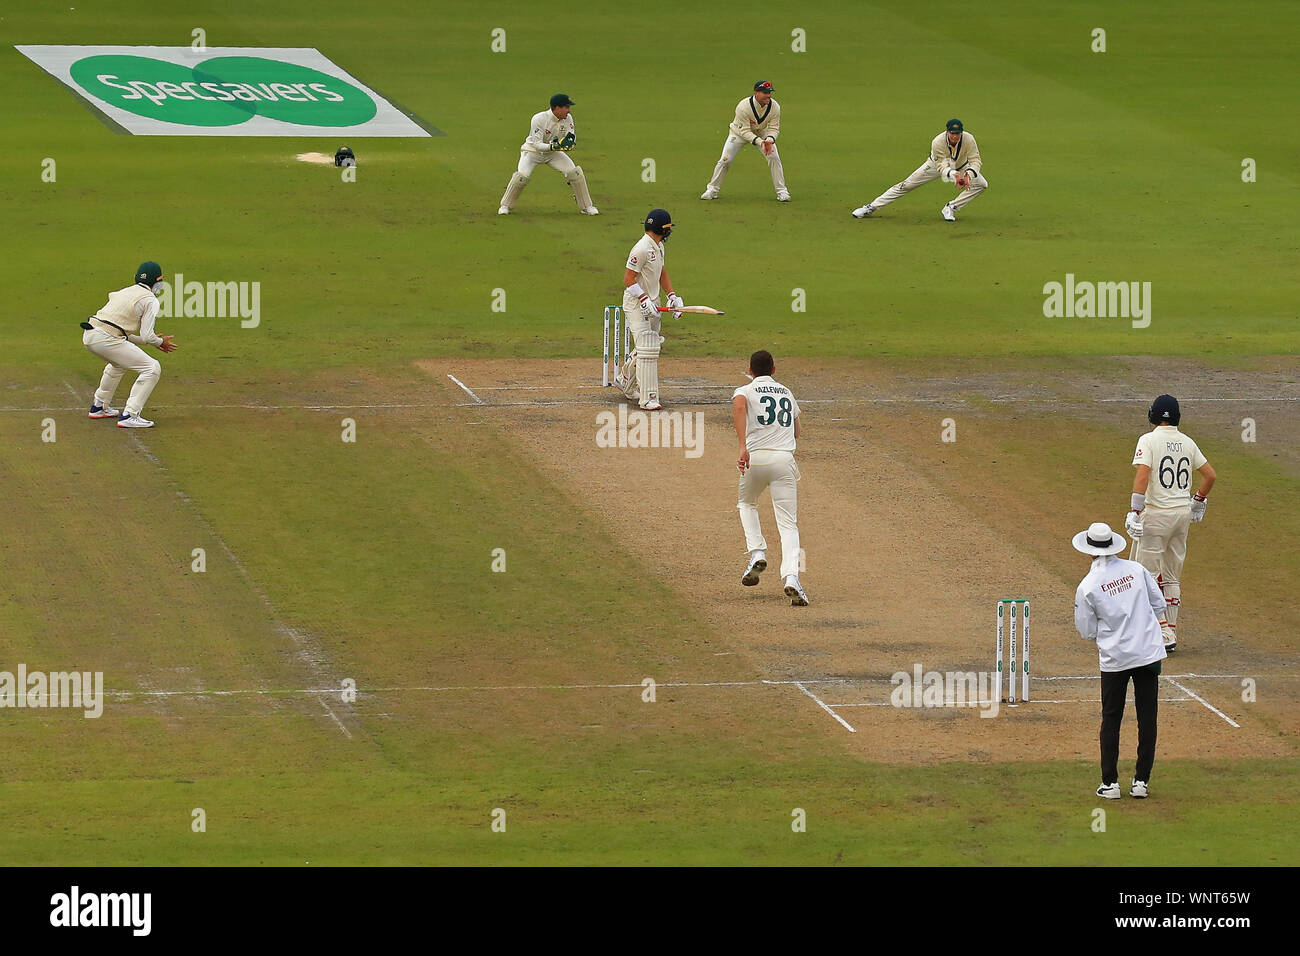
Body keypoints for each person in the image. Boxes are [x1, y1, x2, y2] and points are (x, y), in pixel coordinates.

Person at [1072, 521, 1167, 800]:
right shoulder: (1136, 570)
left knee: (1111, 718)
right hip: (1148, 652)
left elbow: (1086, 630)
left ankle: (1110, 784)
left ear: (1089, 551)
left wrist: (1112, 631)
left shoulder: (1087, 586)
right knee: (1147, 717)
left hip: (1115, 657)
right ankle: (1141, 782)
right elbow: (1159, 604)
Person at [1123, 395, 1216, 653]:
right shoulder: (1188, 442)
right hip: (1181, 514)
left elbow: (1143, 475)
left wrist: (1134, 510)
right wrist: (1198, 502)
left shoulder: (1148, 440)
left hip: (1156, 515)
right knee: (1172, 574)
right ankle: (1171, 630)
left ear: (1153, 415)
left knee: (1146, 574)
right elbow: (1210, 475)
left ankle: (1161, 631)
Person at [733, 350, 808, 606]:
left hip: (755, 459)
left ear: (750, 371)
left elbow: (740, 405)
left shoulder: (745, 390)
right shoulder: (787, 392)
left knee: (747, 503)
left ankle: (757, 552)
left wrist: (743, 446)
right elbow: (797, 431)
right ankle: (791, 578)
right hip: (784, 461)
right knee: (788, 525)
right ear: (774, 369)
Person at [79, 261, 178, 429]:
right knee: (152, 368)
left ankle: (99, 406)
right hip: (106, 338)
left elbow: (120, 331)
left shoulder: (125, 292)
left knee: (119, 363)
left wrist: (151, 341)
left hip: (90, 334)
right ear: (158, 281)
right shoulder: (150, 300)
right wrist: (160, 342)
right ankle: (130, 415)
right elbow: (147, 336)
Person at [852, 118, 987, 221]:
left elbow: (975, 160)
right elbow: (942, 166)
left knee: (981, 185)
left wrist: (968, 175)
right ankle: (871, 207)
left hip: (962, 165)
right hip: (936, 166)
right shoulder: (938, 142)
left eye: (958, 133)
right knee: (906, 185)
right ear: (947, 132)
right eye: (952, 133)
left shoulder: (968, 138)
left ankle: (951, 207)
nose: (955, 136)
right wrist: (955, 175)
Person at [616, 209, 684, 411]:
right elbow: (628, 280)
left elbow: (661, 272)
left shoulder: (659, 246)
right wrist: (644, 298)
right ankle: (648, 398)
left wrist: (672, 296)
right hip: (637, 303)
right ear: (662, 229)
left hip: (653, 302)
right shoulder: (641, 249)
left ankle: (625, 379)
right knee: (647, 347)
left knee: (649, 346)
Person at [498, 93, 597, 215]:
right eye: (566, 107)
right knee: (521, 178)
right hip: (532, 152)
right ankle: (505, 206)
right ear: (556, 108)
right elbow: (536, 144)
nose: (569, 110)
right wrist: (554, 146)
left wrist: (570, 143)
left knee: (575, 173)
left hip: (553, 153)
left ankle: (587, 207)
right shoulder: (539, 119)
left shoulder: (568, 118)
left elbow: (571, 136)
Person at [700, 81, 789, 202]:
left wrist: (769, 141)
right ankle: (712, 189)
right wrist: (761, 143)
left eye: (770, 93)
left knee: (774, 157)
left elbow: (774, 128)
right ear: (756, 93)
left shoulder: (775, 107)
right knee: (725, 159)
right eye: (765, 93)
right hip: (738, 133)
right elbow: (745, 132)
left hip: (762, 132)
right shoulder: (743, 106)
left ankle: (782, 192)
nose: (768, 96)